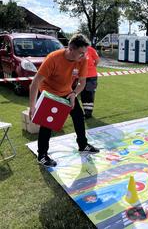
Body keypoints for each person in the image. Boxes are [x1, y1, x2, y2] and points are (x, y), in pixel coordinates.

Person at [29, 34, 100, 167]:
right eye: (81, 53)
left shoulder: (82, 59)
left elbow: (82, 82)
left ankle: (83, 145)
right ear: (71, 48)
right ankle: (42, 155)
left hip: (67, 93)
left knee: (78, 116)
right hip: (48, 93)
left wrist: (74, 93)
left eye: (85, 52)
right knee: (47, 124)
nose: (84, 56)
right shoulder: (53, 58)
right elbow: (35, 82)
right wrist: (32, 106)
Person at [80, 46, 100, 119]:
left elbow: (97, 60)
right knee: (83, 95)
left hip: (92, 77)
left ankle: (88, 113)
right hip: (81, 77)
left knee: (90, 94)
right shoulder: (77, 49)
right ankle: (85, 111)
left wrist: (93, 67)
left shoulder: (91, 49)